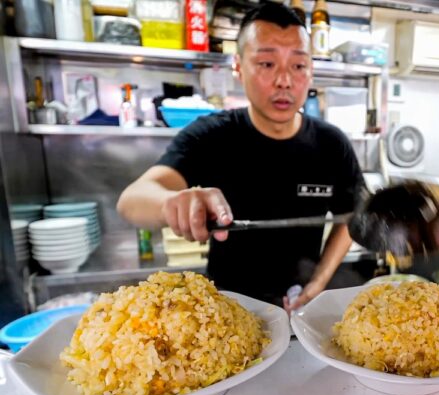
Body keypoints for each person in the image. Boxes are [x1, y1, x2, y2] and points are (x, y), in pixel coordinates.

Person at [117, 1, 363, 311]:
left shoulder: (332, 144)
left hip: (298, 303)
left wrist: (318, 283)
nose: (284, 80)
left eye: (298, 65)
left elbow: (352, 216)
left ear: (311, 70)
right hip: (226, 309)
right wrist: (171, 204)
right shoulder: (212, 135)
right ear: (238, 67)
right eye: (267, 64)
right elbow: (131, 201)